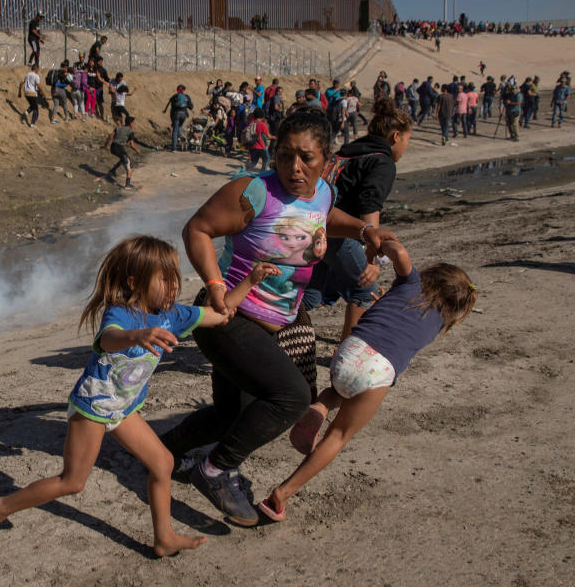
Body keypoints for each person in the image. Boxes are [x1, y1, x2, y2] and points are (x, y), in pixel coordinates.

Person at [158, 110, 395, 524]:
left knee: (229, 413)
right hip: (230, 315)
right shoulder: (254, 192)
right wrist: (215, 286)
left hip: (279, 320)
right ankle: (215, 469)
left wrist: (363, 230)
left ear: (326, 157)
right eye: (284, 155)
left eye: (306, 157)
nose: (294, 167)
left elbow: (324, 218)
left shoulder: (322, 191)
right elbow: (196, 229)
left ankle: (163, 453)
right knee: (291, 398)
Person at [0, 235, 281, 556]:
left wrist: (250, 280)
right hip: (92, 407)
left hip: (123, 409)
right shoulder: (121, 314)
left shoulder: (174, 315)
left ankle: (163, 538)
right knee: (73, 482)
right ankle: (0, 506)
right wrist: (138, 334)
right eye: (164, 279)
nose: (173, 287)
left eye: (175, 279)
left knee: (163, 463)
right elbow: (109, 339)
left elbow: (220, 314)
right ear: (135, 281)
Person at [259, 241, 476, 522]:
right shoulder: (436, 324)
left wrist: (375, 247)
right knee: (338, 435)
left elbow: (398, 252)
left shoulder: (409, 284)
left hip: (350, 351)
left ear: (432, 275)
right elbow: (404, 328)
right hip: (377, 369)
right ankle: (282, 493)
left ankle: (321, 407)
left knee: (339, 389)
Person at [303, 98, 412, 341]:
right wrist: (372, 254)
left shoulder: (349, 152)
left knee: (312, 295)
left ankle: (271, 328)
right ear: (396, 136)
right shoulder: (382, 162)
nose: (405, 147)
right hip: (338, 232)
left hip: (311, 223)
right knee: (365, 290)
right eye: (407, 140)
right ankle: (347, 353)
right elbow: (369, 205)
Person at [103, 115, 140, 189]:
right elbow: (132, 145)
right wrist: (137, 150)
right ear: (130, 123)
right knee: (130, 165)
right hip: (119, 148)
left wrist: (105, 146)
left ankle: (112, 171)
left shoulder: (118, 128)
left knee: (124, 158)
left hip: (113, 147)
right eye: (133, 123)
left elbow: (110, 136)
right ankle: (127, 184)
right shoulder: (130, 132)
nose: (134, 124)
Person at [162, 84, 193, 151]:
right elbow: (191, 106)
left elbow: (169, 103)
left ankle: (174, 148)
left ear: (177, 90)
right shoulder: (186, 97)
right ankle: (179, 137)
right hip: (184, 115)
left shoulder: (175, 96)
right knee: (180, 125)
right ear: (184, 90)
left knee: (175, 130)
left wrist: (165, 110)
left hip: (176, 114)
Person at [242, 108, 273, 172]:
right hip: (260, 147)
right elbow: (268, 136)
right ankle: (263, 172)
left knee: (254, 162)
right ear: (262, 116)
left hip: (251, 146)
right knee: (266, 159)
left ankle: (245, 169)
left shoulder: (251, 124)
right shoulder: (262, 124)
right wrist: (276, 137)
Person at [18, 64, 44, 128]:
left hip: (26, 93)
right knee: (36, 110)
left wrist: (19, 92)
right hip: (32, 93)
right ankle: (32, 123)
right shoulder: (36, 76)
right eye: (38, 69)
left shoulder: (27, 75)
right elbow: (38, 85)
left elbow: (21, 83)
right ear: (36, 69)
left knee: (33, 105)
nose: (38, 71)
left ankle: (26, 112)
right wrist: (42, 92)